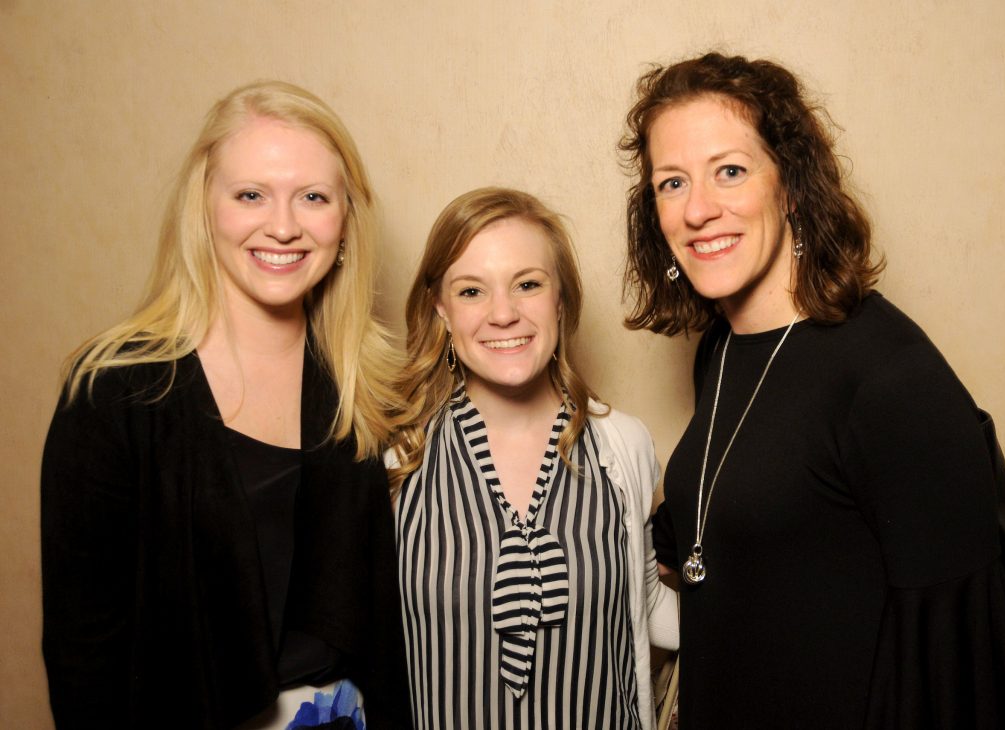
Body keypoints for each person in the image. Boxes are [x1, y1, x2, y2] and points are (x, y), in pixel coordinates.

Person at [619, 52, 1005, 729]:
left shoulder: (890, 378)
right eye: (671, 183)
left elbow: (962, 668)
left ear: (792, 187)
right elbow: (774, 509)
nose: (698, 210)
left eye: (730, 171)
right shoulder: (722, 348)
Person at [41, 81, 412, 729]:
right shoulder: (113, 393)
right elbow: (84, 657)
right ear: (203, 211)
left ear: (346, 223)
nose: (284, 226)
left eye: (314, 198)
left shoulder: (368, 389)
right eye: (250, 195)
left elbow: (381, 633)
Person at [389, 187, 678, 729]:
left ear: (561, 299)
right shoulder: (395, 460)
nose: (504, 313)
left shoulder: (624, 447)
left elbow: (654, 612)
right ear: (441, 311)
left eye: (528, 284)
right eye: (472, 291)